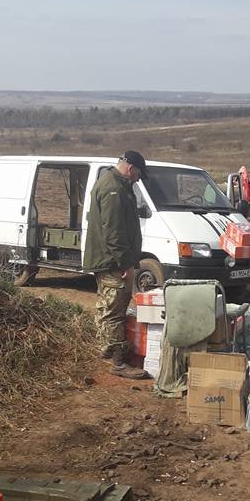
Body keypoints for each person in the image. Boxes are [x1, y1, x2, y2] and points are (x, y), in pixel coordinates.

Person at [83, 151, 148, 379]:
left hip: (109, 259)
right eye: (138, 174)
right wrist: (125, 263)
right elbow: (113, 232)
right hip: (112, 262)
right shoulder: (113, 189)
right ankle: (118, 362)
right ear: (131, 169)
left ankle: (108, 350)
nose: (138, 179)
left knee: (108, 306)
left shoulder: (114, 184)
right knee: (115, 311)